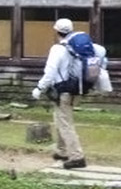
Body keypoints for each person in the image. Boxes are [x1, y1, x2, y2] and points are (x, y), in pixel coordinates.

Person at [31, 18, 87, 169]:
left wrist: (39, 88)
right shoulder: (74, 48)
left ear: (57, 31)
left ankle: (77, 157)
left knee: (65, 123)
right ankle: (62, 151)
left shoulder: (58, 49)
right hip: (75, 89)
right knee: (60, 119)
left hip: (63, 91)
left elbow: (50, 72)